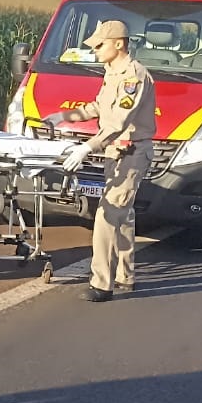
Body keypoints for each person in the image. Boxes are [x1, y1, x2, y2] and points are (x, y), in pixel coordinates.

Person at [40, 20, 156, 302]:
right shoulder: (112, 72)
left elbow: (118, 121)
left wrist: (86, 148)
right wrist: (63, 117)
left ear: (119, 43)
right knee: (123, 214)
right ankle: (125, 275)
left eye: (99, 45)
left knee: (106, 215)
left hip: (131, 152)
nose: (95, 51)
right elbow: (98, 107)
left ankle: (102, 284)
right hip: (115, 153)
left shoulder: (133, 77)